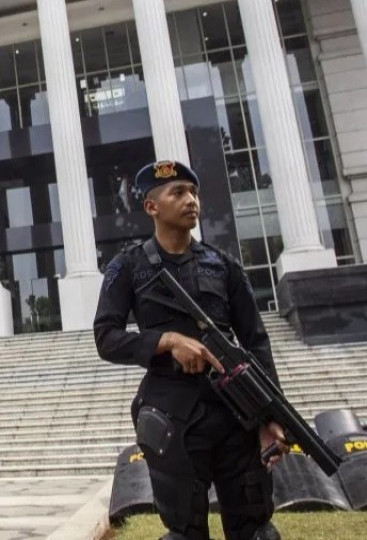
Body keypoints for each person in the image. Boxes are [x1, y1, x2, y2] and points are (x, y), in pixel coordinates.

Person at [93, 160, 285, 540]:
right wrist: (167, 341)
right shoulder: (127, 267)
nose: (190, 200)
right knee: (183, 535)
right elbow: (106, 337)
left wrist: (270, 416)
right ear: (152, 207)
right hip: (170, 418)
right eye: (177, 193)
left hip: (235, 414)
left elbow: (256, 342)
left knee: (258, 532)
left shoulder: (224, 265)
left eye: (193, 192)